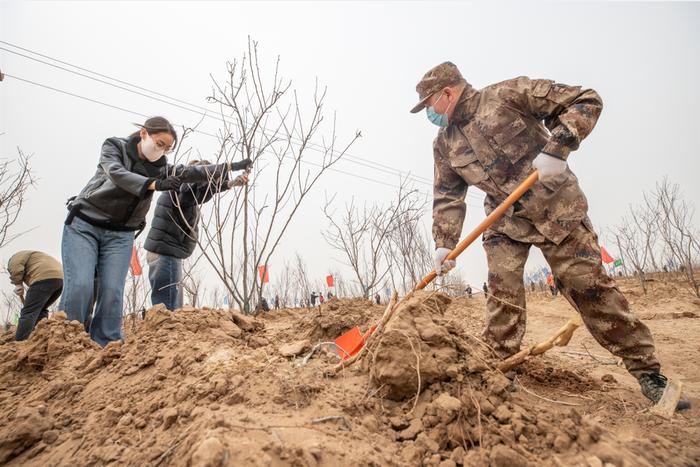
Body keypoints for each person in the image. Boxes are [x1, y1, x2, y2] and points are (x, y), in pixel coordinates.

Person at [412, 62, 688, 409]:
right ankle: (500, 373)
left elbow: (586, 100)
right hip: (505, 221)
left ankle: (649, 374)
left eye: (429, 106)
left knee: (590, 289)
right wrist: (443, 243)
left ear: (447, 94)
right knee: (502, 297)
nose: (430, 115)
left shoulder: (509, 95)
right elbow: (447, 195)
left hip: (557, 211)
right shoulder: (445, 144)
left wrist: (558, 147)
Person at [60, 117, 243, 347]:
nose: (162, 151)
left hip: (121, 234)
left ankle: (106, 346)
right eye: (159, 143)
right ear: (144, 133)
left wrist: (228, 169)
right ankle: (66, 343)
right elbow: (116, 173)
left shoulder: (162, 169)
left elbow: (191, 173)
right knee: (81, 286)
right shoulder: (114, 147)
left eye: (167, 148)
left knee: (112, 291)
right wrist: (153, 184)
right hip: (85, 223)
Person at [144, 159, 249, 311]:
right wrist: (221, 180)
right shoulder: (182, 189)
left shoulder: (177, 189)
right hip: (166, 254)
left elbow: (199, 192)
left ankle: (164, 333)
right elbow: (194, 193)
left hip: (162, 252)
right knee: (169, 311)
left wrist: (230, 183)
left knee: (165, 306)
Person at [7, 251, 64, 341]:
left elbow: (15, 268)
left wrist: (18, 283)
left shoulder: (14, 258)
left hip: (44, 277)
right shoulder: (34, 257)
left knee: (29, 312)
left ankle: (20, 342)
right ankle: (40, 338)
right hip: (61, 280)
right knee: (41, 310)